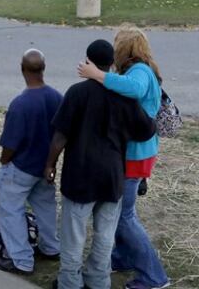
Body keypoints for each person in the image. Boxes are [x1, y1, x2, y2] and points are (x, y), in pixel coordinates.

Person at [45, 39, 157, 289]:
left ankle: (70, 282)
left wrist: (50, 165)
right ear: (112, 64)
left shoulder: (77, 93)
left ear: (88, 61)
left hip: (80, 176)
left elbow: (60, 136)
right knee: (105, 235)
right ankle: (98, 280)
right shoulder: (125, 98)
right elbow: (147, 130)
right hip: (112, 176)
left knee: (73, 236)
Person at [77, 27, 169, 289]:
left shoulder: (140, 71)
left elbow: (135, 89)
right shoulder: (143, 68)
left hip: (135, 154)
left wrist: (98, 75)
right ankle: (124, 256)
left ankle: (155, 276)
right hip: (139, 151)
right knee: (120, 211)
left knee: (124, 215)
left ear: (126, 48)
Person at [0, 49, 62, 276]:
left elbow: (10, 144)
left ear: (22, 69)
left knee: (11, 210)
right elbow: (62, 135)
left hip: (22, 167)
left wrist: (5, 162)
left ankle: (21, 260)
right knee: (46, 206)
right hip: (45, 166)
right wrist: (52, 164)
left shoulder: (20, 104)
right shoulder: (56, 98)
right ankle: (51, 247)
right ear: (43, 68)